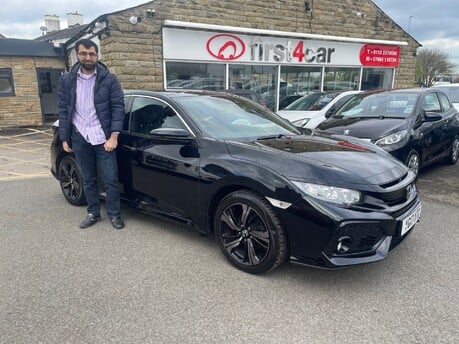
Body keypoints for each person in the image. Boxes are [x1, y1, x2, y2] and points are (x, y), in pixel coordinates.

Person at [57, 39, 125, 229]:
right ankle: (93, 213)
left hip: (103, 138)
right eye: (84, 53)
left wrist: (114, 136)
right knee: (88, 178)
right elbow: (63, 110)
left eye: (92, 54)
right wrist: (65, 137)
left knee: (111, 179)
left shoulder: (109, 79)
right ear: (77, 55)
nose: (88, 57)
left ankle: (114, 214)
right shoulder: (66, 80)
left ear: (97, 55)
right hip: (79, 136)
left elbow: (118, 108)